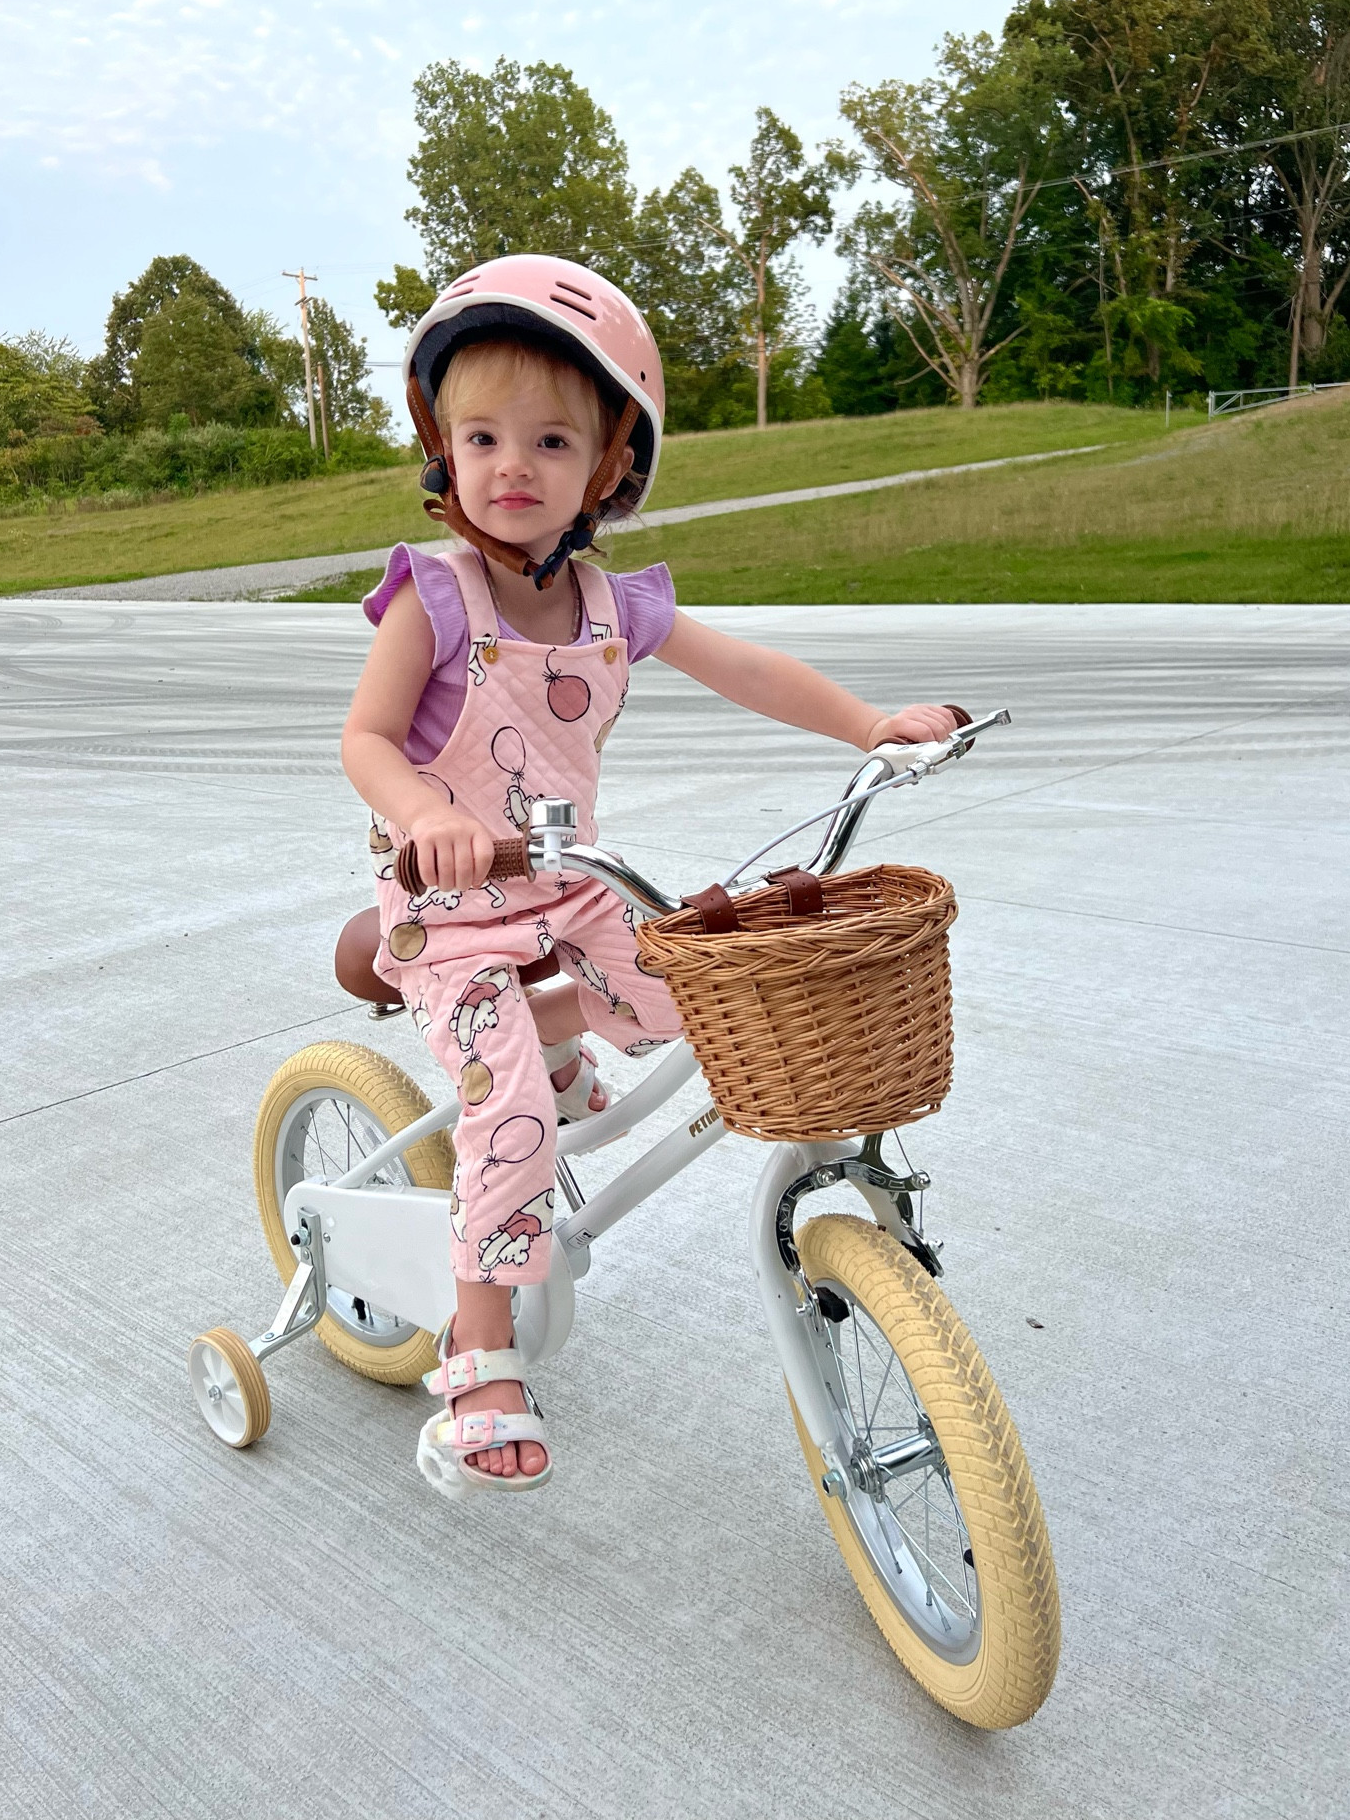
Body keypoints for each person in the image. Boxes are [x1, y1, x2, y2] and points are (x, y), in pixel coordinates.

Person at [340, 255, 960, 1499]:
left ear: (610, 465)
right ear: (442, 448)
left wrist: (868, 725)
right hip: (455, 900)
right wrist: (424, 816)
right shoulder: (437, 593)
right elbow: (364, 737)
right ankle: (478, 1343)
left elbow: (753, 668)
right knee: (511, 1107)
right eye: (481, 436)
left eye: (552, 438)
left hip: (570, 884)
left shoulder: (615, 601)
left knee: (705, 990)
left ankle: (543, 1026)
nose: (512, 465)